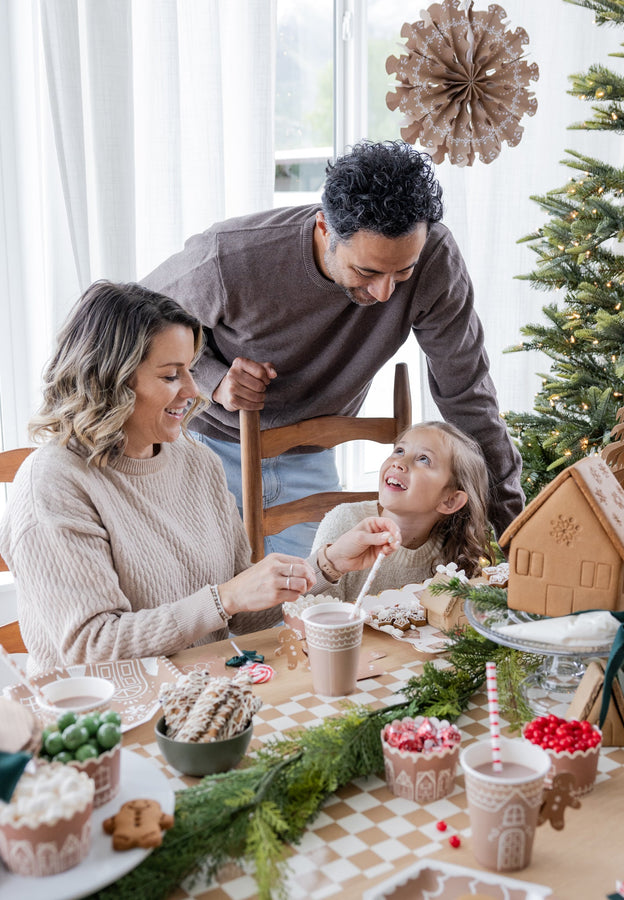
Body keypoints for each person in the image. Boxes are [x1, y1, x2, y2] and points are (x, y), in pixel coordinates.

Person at [141, 139, 524, 557]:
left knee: (317, 591)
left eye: (403, 273)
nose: (384, 294)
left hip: (311, 453)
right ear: (325, 228)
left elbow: (466, 391)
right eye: (367, 271)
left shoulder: (434, 258)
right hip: (205, 448)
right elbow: (130, 327)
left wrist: (515, 535)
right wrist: (213, 380)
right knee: (208, 588)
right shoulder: (230, 255)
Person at [0, 282, 400, 676]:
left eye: (190, 371)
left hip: (202, 691)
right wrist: (224, 599)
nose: (194, 390)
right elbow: (90, 648)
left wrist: (328, 563)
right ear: (109, 381)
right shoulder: (54, 482)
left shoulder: (197, 462)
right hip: (100, 709)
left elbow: (244, 614)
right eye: (171, 376)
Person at [309, 422, 494, 603]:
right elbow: (308, 610)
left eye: (424, 459)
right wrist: (331, 564)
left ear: (450, 501)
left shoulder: (453, 556)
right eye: (399, 451)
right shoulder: (344, 521)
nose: (399, 463)